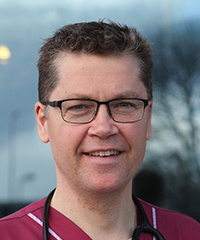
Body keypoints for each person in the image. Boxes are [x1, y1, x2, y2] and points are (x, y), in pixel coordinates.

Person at [0, 20, 200, 240]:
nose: (103, 128)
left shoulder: (188, 234)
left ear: (148, 118)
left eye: (124, 105)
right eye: (78, 107)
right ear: (43, 122)